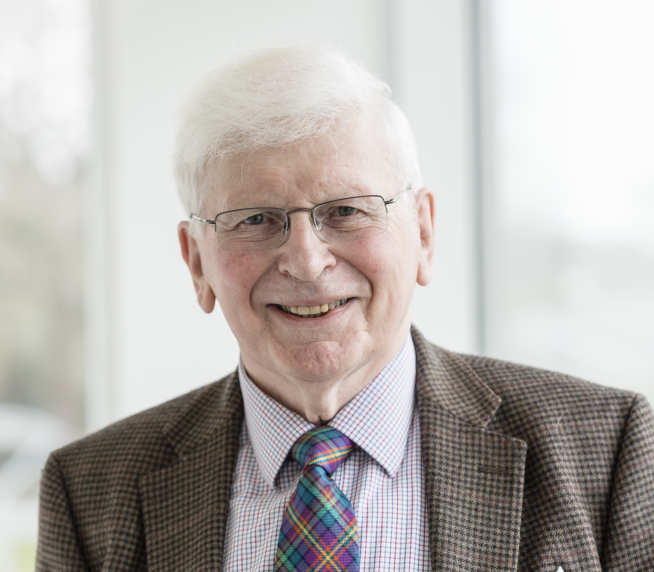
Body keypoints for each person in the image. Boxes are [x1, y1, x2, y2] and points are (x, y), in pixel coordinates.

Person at [37, 46, 653, 571]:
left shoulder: (606, 450)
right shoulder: (90, 491)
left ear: (424, 232)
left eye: (346, 211)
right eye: (256, 220)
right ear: (196, 261)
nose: (306, 261)